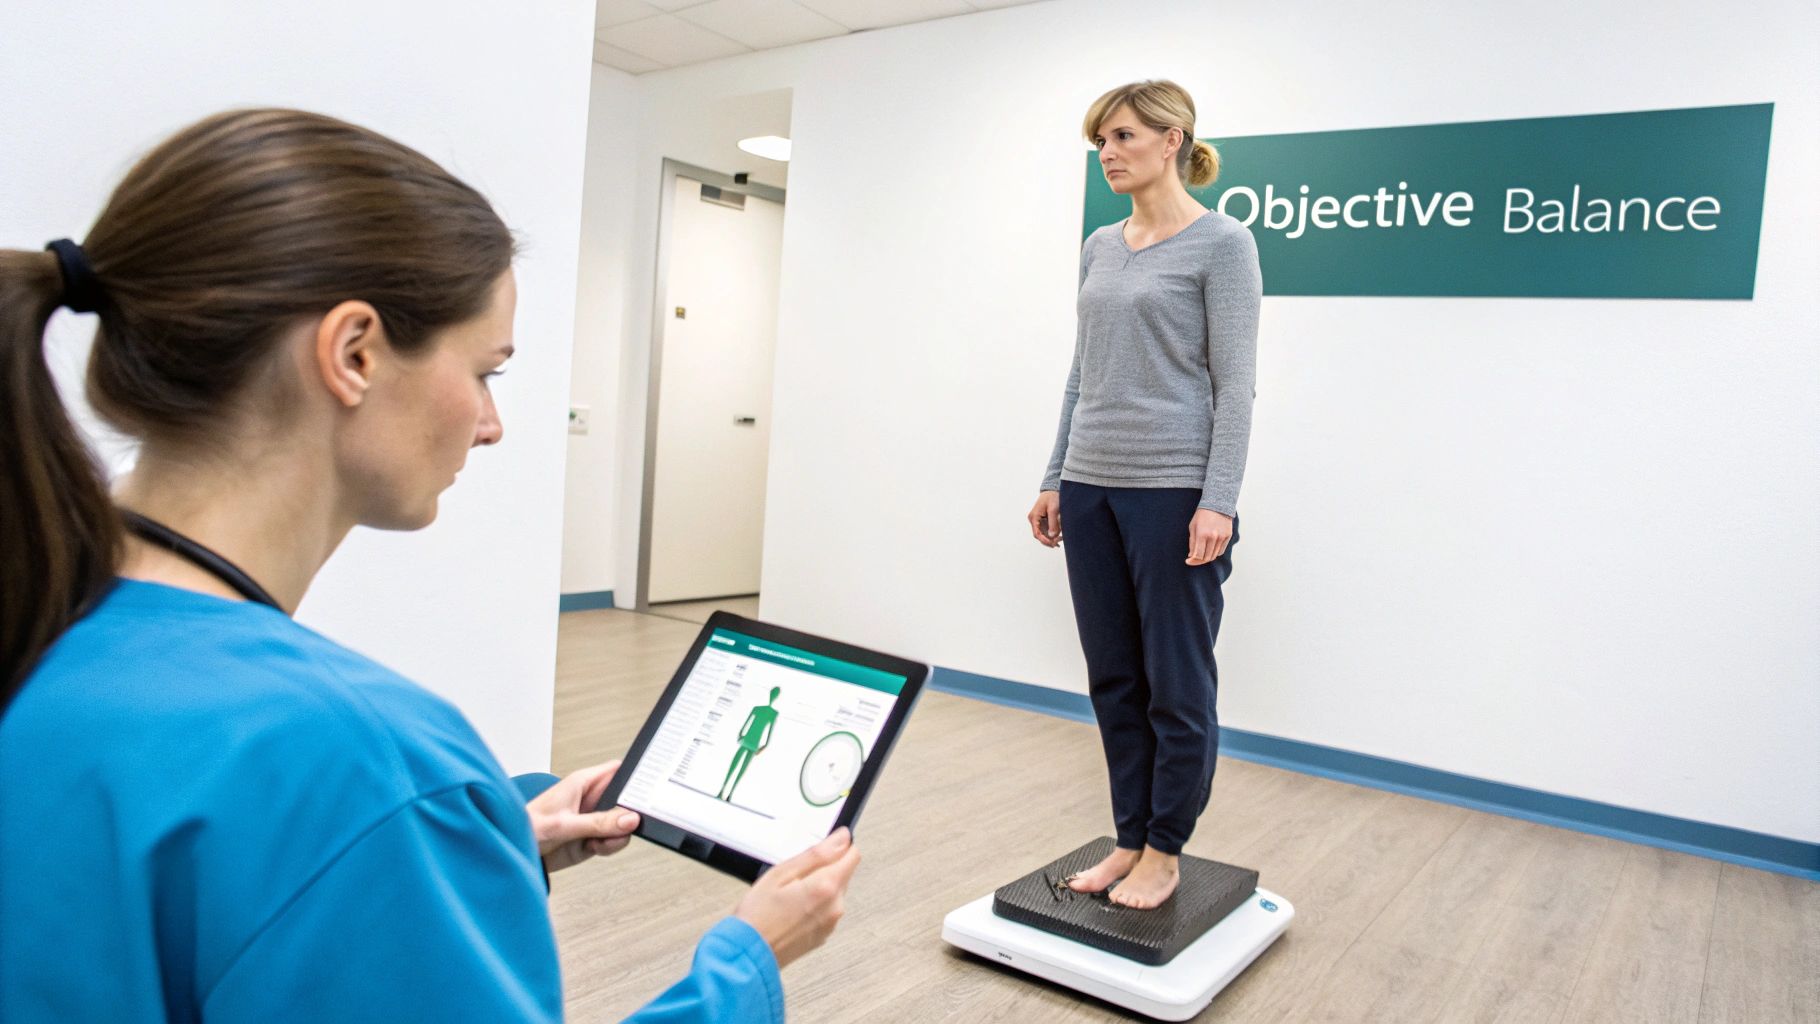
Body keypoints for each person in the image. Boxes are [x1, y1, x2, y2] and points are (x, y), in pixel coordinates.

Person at [0, 108, 858, 1022]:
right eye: (487, 372)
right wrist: (745, 960)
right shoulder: (361, 764)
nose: (492, 426)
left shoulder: (41, 621)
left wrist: (468, 847)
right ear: (353, 353)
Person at [1026, 80, 1262, 909]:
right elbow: (1081, 372)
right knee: (1114, 679)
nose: (1108, 154)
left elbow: (1235, 387)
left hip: (1174, 494)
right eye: (1100, 142)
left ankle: (1167, 849)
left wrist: (1218, 500)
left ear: (1174, 140)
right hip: (1092, 488)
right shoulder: (1099, 244)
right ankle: (1128, 839)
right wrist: (1056, 476)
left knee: (1177, 682)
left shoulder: (1222, 244)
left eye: (1122, 137)